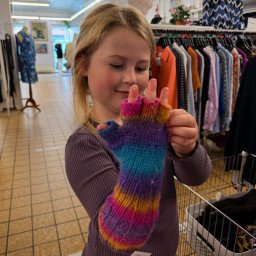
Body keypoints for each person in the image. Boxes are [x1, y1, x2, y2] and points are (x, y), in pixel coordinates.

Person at [65, 4, 212, 256]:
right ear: (84, 65)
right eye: (117, 65)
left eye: (141, 67)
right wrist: (143, 153)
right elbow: (123, 232)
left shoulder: (152, 122)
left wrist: (188, 149)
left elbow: (198, 177)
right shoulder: (84, 145)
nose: (132, 78)